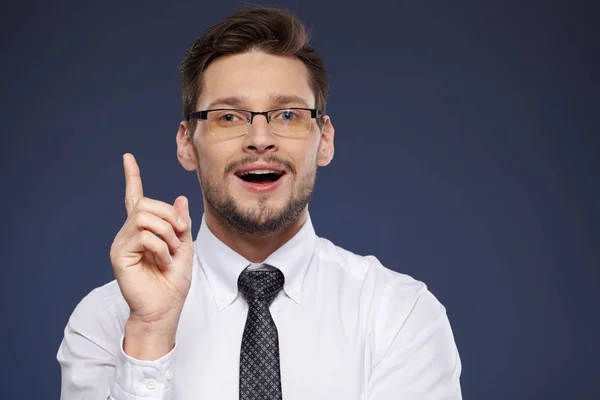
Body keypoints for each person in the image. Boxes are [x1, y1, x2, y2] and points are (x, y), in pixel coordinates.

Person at [57, 6, 462, 400]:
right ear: (186, 144)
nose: (260, 138)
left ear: (325, 139)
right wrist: (149, 332)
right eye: (229, 117)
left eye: (288, 114)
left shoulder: (401, 316)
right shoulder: (106, 320)